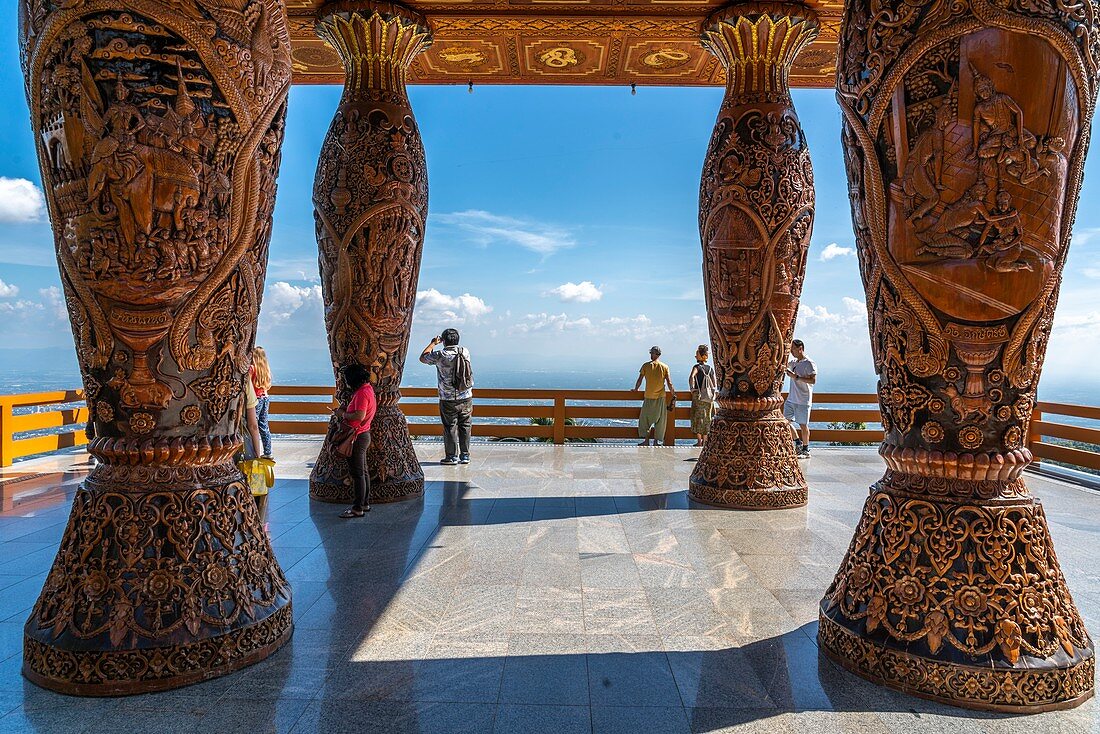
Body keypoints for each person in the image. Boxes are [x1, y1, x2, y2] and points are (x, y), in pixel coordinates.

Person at [420, 328, 473, 465]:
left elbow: (423, 358)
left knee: (450, 426)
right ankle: (465, 456)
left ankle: (451, 457)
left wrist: (433, 343)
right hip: (466, 395)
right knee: (465, 425)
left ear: (443, 341)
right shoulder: (464, 351)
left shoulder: (440, 355)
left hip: (447, 398)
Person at [337, 363, 377, 518]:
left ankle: (357, 507)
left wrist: (342, 414)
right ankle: (364, 503)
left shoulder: (361, 393)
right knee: (363, 471)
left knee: (358, 472)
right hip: (363, 433)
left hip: (357, 435)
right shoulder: (368, 389)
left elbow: (359, 416)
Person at [633, 345, 675, 446]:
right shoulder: (664, 367)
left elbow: (640, 379)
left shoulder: (646, 366)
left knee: (645, 420)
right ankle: (656, 442)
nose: (651, 355)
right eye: (651, 353)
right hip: (660, 397)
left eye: (652, 353)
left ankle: (646, 440)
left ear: (656, 354)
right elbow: (669, 382)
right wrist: (673, 393)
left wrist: (636, 389)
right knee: (660, 420)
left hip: (648, 396)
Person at [784, 339, 817, 458]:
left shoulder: (809, 363)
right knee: (784, 422)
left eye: (792, 349)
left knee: (803, 425)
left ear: (800, 348)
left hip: (803, 400)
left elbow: (813, 380)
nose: (791, 352)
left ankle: (806, 449)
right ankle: (797, 441)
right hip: (791, 399)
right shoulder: (793, 363)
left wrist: (796, 377)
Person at [688, 344, 717, 447]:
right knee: (707, 418)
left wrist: (692, 388)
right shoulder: (710, 369)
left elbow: (691, 377)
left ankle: (699, 441)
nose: (695, 356)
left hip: (699, 396)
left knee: (698, 417)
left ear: (700, 355)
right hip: (709, 398)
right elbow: (714, 383)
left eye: (697, 354)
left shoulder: (696, 367)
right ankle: (705, 441)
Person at [251, 346, 273, 459]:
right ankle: (268, 452)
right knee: (264, 426)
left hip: (256, 399)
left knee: (253, 426)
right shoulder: (265, 369)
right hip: (265, 398)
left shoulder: (252, 368)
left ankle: (254, 451)